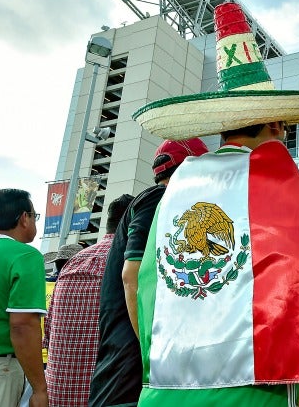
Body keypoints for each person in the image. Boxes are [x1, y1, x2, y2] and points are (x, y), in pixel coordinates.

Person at [132, 1, 299, 406]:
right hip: (249, 389)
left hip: (164, 386)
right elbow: (295, 280)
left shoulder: (179, 184)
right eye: (286, 128)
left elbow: (145, 282)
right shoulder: (276, 177)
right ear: (274, 124)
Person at [89, 138, 207, 407]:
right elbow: (132, 277)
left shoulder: (171, 205)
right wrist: (150, 353)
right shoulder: (159, 198)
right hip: (129, 373)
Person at [43, 194, 132, 406]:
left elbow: (48, 333)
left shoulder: (72, 264)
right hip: (108, 394)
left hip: (60, 393)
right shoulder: (129, 265)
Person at [0, 189, 48, 407]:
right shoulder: (24, 255)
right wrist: (39, 389)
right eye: (34, 216)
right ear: (23, 218)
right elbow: (22, 326)